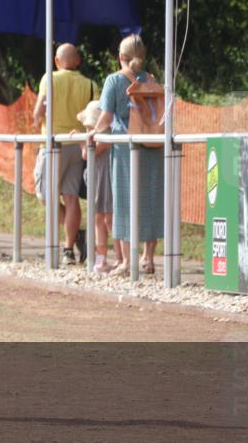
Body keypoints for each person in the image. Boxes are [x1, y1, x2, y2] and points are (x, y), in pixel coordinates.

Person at [89, 34, 164, 276]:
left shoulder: (113, 81)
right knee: (150, 199)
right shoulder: (151, 80)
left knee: (123, 202)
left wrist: (93, 133)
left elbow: (106, 118)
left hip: (125, 149)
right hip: (152, 145)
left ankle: (127, 262)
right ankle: (148, 259)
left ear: (120, 56)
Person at [32, 43, 99, 265]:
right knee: (71, 198)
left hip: (54, 144)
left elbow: (38, 112)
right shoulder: (90, 84)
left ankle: (74, 238)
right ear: (78, 61)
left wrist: (37, 122)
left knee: (45, 195)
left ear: (56, 61)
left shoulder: (49, 79)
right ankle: (69, 248)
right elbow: (97, 114)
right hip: (78, 143)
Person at [76, 101, 123, 273]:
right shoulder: (95, 135)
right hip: (96, 176)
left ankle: (120, 257)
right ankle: (101, 259)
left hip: (105, 176)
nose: (88, 128)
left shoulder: (106, 135)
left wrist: (83, 143)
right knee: (98, 219)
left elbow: (89, 153)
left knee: (109, 218)